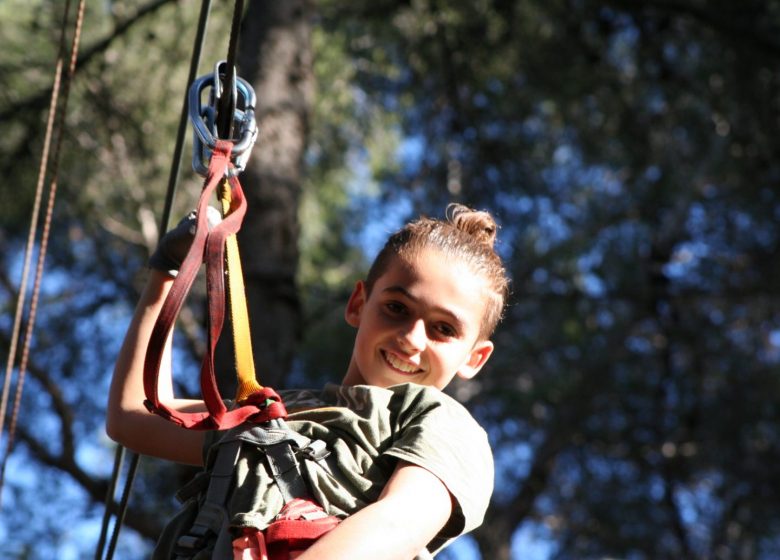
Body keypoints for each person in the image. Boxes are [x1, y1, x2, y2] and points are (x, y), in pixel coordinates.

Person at [107, 203, 510, 559]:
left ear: (475, 357)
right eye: (396, 308)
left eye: (443, 328)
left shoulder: (444, 424)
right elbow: (133, 417)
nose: (411, 337)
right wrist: (169, 271)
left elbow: (398, 523)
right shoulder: (277, 416)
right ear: (358, 304)